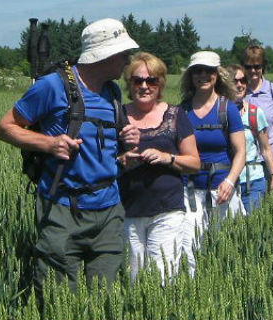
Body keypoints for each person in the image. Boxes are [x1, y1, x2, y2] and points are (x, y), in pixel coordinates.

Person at [0, 18, 139, 288]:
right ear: (104, 54)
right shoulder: (52, 86)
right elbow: (5, 128)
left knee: (104, 299)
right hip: (62, 208)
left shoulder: (112, 91)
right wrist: (49, 144)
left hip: (109, 208)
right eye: (123, 53)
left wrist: (127, 140)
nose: (127, 60)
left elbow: (107, 146)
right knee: (58, 297)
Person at [116, 52, 203, 284]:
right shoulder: (119, 116)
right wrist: (123, 160)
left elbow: (194, 162)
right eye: (138, 80)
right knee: (134, 279)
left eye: (151, 80)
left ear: (160, 83)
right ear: (129, 83)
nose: (144, 86)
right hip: (129, 212)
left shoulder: (175, 115)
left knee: (162, 279)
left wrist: (167, 158)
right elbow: (105, 160)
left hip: (167, 210)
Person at [180, 51, 248, 232]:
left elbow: (241, 151)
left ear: (217, 75)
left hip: (223, 190)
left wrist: (230, 182)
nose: (203, 75)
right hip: (191, 192)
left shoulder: (228, 109)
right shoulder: (182, 111)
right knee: (192, 252)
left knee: (227, 246)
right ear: (191, 76)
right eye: (197, 71)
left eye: (209, 70)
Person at [240, 46, 273, 186]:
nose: (252, 71)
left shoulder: (272, 89)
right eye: (248, 67)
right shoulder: (239, 91)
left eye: (257, 66)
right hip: (247, 159)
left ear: (263, 67)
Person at [230, 66, 273, 213]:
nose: (240, 85)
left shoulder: (254, 113)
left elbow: (265, 148)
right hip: (228, 181)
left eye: (243, 80)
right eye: (235, 81)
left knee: (252, 225)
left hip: (253, 180)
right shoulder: (219, 113)